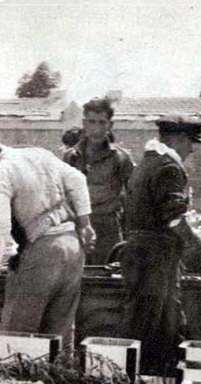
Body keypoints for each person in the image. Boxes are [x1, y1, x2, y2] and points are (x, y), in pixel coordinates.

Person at [0, 127, 94, 350]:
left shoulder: (2, 173)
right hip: (72, 246)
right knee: (59, 333)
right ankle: (57, 379)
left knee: (15, 335)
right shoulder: (38, 154)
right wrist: (85, 224)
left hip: (44, 250)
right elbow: (77, 180)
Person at [122, 115, 201, 376]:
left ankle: (137, 380)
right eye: (191, 142)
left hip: (139, 251)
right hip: (157, 256)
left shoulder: (147, 163)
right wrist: (199, 245)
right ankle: (144, 382)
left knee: (143, 319)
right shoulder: (169, 168)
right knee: (154, 324)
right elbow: (174, 218)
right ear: (178, 139)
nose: (192, 148)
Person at [64, 98, 135, 265]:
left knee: (106, 279)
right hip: (77, 226)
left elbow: (132, 197)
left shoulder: (120, 158)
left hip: (107, 227)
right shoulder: (70, 157)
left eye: (102, 122)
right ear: (84, 123)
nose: (96, 128)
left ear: (110, 125)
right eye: (91, 122)